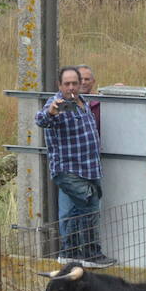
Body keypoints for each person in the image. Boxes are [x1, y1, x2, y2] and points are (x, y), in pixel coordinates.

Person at [35, 66, 116, 268]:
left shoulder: (83, 102)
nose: (71, 87)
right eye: (66, 84)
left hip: (90, 168)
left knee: (75, 211)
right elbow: (42, 118)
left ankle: (69, 253)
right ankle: (91, 255)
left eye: (74, 83)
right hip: (68, 170)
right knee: (89, 206)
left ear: (80, 84)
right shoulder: (58, 104)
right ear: (59, 85)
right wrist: (52, 112)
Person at [76, 63, 101, 133]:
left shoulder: (100, 104)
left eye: (87, 79)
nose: (83, 82)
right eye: (80, 79)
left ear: (93, 82)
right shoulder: (64, 101)